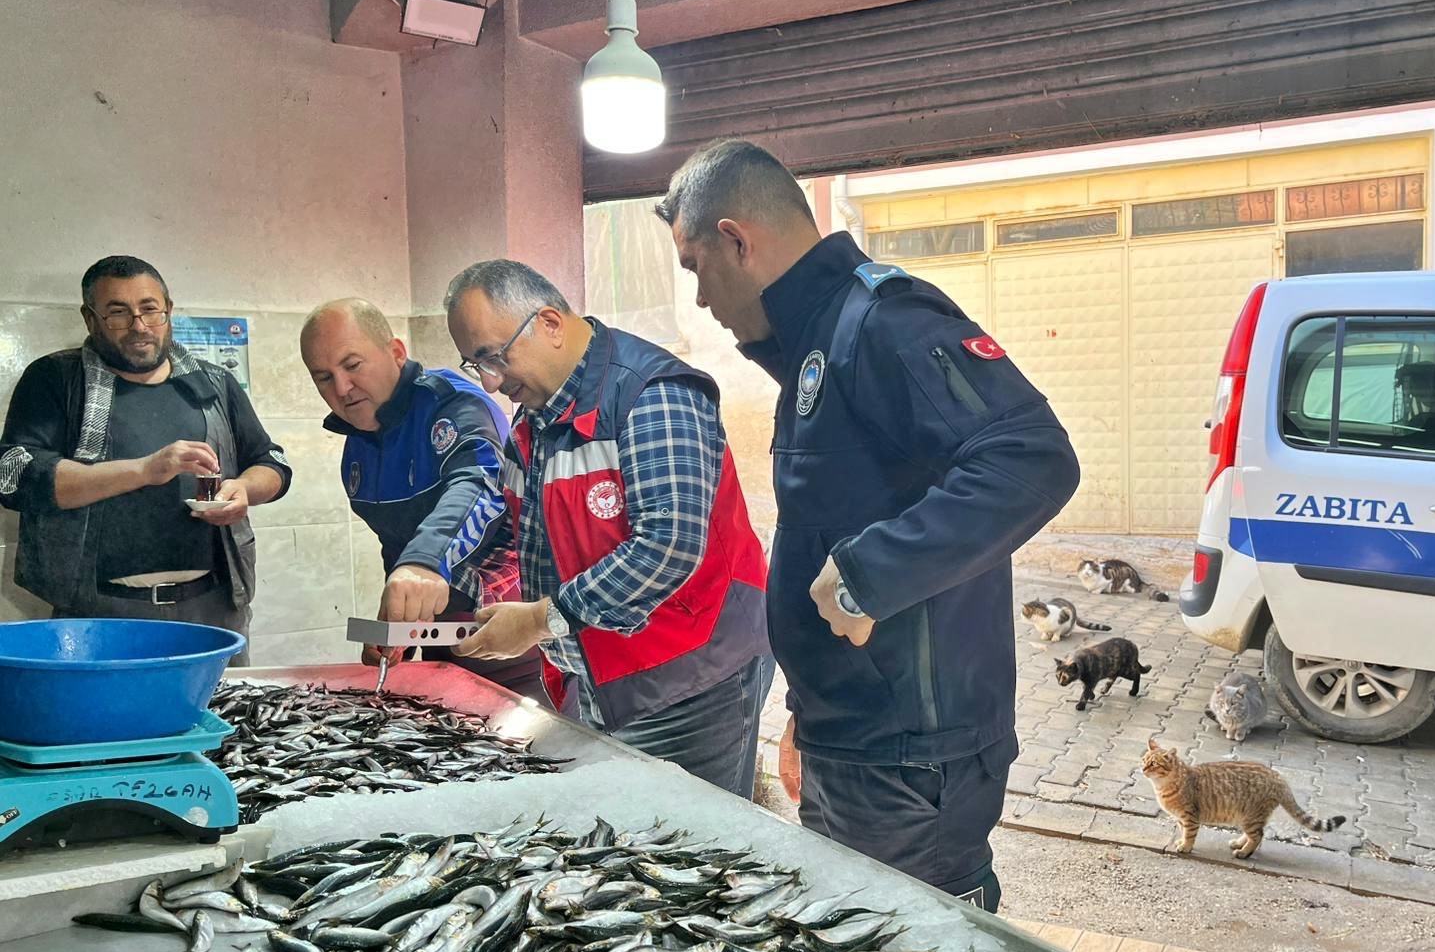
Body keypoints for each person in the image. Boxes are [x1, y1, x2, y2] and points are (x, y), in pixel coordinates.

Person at [656, 139, 1080, 910]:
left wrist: (870, 574)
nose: (700, 301)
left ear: (736, 240)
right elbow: (836, 515)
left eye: (694, 268)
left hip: (909, 758)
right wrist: (806, 712)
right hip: (851, 738)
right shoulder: (819, 341)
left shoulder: (883, 321)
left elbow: (1031, 460)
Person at [443, 258, 775, 799]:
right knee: (620, 836)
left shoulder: (651, 394)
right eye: (475, 365)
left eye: (495, 357)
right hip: (596, 674)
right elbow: (509, 527)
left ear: (549, 324)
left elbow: (666, 547)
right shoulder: (534, 421)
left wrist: (541, 620)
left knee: (689, 850)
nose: (492, 381)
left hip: (691, 674)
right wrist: (441, 583)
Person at [0, 255, 291, 661]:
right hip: (99, 617)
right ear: (91, 319)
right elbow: (15, 476)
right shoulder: (55, 379)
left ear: (168, 309)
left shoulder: (214, 382)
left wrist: (244, 490)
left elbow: (272, 462)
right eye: (118, 313)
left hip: (214, 610)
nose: (139, 326)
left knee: (229, 722)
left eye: (150, 310)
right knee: (109, 724)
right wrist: (144, 470)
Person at [298, 298, 543, 698]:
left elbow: (481, 484)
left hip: (514, 640)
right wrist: (398, 621)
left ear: (396, 352)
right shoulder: (357, 450)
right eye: (323, 377)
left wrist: (422, 564)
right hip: (442, 644)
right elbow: (396, 546)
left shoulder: (455, 403)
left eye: (353, 365)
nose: (341, 388)